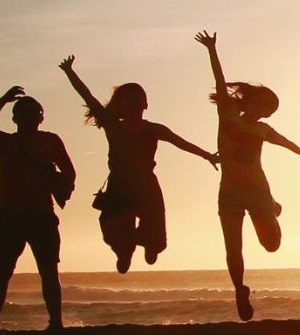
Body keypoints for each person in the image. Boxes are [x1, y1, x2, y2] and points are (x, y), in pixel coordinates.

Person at [54, 55, 218, 274]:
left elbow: (181, 143)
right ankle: (125, 251)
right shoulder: (113, 127)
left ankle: (150, 246)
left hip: (146, 186)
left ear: (146, 104)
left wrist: (207, 155)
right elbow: (88, 96)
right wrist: (69, 72)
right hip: (119, 186)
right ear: (120, 107)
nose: (134, 102)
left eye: (138, 98)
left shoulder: (154, 129)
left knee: (156, 237)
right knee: (115, 231)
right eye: (128, 99)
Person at [194, 31, 300, 321]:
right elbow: (220, 83)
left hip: (258, 192)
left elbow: (284, 141)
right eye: (261, 103)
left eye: (268, 109)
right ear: (251, 100)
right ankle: (239, 291)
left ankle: (272, 207)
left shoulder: (262, 130)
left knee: (272, 245)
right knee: (233, 248)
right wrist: (212, 50)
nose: (264, 110)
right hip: (229, 193)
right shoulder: (227, 115)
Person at [0, 86, 74, 333]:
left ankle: (56, 323)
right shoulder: (6, 142)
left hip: (42, 215)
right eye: (25, 114)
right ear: (16, 118)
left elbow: (70, 171)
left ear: (41, 117)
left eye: (34, 113)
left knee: (49, 271)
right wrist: (2, 99)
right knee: (1, 273)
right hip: (11, 215)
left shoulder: (51, 141)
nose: (30, 118)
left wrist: (60, 185)